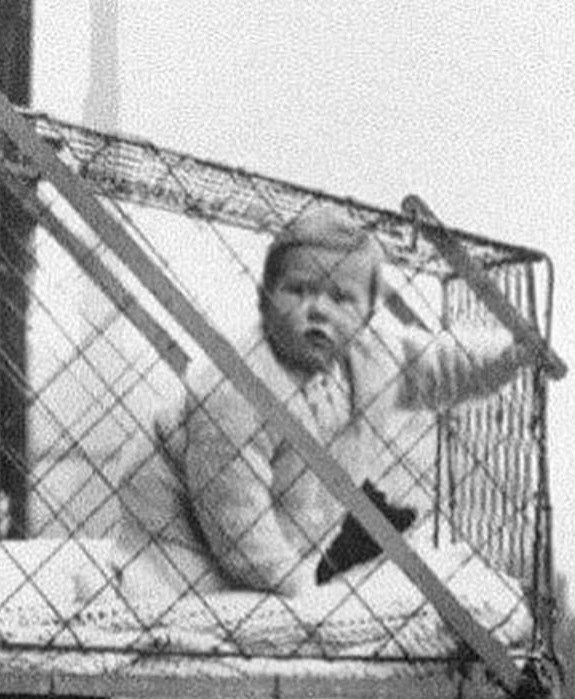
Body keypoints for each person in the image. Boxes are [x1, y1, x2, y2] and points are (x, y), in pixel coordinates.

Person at [111, 204, 539, 606]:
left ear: (369, 315)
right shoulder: (235, 388)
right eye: (297, 290)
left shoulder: (374, 359)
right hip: (175, 526)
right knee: (186, 600)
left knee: (273, 584)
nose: (317, 309)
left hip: (287, 520)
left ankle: (282, 582)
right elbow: (237, 519)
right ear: (263, 299)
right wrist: (301, 597)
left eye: (341, 298)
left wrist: (507, 357)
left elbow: (442, 366)